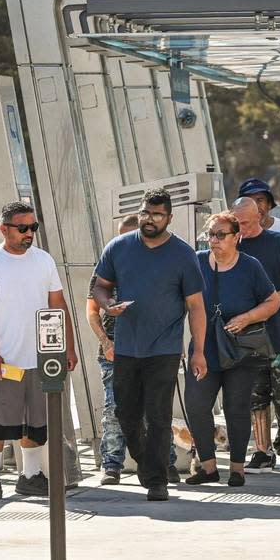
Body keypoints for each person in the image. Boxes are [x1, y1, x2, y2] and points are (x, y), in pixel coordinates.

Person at [91, 187, 207, 502]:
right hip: (126, 346)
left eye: (156, 214)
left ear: (169, 217)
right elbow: (100, 288)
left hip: (164, 347)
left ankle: (156, 482)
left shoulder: (182, 254)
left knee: (158, 415)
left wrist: (198, 349)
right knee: (125, 411)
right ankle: (147, 464)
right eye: (145, 212)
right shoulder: (118, 247)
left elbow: (196, 305)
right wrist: (107, 305)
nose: (149, 219)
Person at [0, 201, 77, 501]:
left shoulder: (43, 261)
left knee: (36, 421)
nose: (29, 233)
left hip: (41, 358)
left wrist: (67, 346)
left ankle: (29, 476)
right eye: (22, 228)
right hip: (3, 360)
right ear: (4, 229)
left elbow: (58, 303)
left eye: (33, 227)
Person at [184, 211, 280, 487]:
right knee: (197, 404)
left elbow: (273, 301)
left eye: (220, 235)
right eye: (210, 235)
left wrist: (248, 317)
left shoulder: (250, 266)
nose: (213, 240)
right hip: (205, 348)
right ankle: (208, 467)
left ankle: (237, 468)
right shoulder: (198, 263)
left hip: (240, 351)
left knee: (236, 407)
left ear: (236, 237)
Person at [85, 215, 179, 485]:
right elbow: (91, 310)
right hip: (116, 350)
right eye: (123, 237)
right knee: (115, 409)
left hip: (154, 350)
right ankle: (112, 464)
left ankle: (164, 463)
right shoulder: (109, 265)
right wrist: (106, 341)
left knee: (156, 411)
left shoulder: (159, 265)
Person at [230, 197, 280, 474]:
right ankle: (262, 451)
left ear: (260, 218)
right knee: (256, 395)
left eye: (249, 223)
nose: (244, 228)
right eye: (239, 223)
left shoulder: (278, 242)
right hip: (248, 338)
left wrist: (275, 298)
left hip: (278, 333)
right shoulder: (233, 245)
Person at [238, 177, 280, 254]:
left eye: (260, 200)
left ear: (269, 204)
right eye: (249, 202)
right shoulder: (235, 234)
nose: (255, 207)